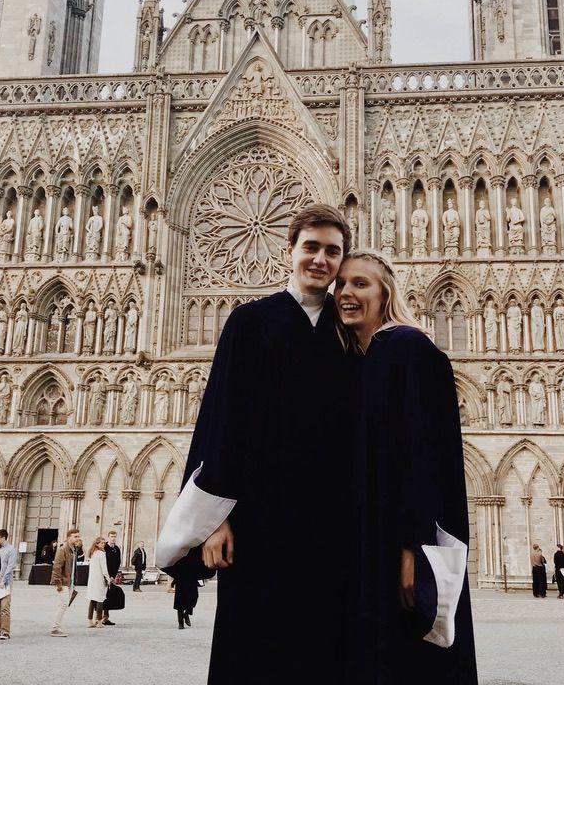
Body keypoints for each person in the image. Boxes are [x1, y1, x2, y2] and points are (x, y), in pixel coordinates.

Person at [156, 204, 353, 684]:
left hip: (332, 521)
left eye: (332, 251)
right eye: (311, 247)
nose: (320, 260)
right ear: (289, 251)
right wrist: (216, 520)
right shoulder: (249, 322)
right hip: (257, 520)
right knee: (254, 646)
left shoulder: (349, 331)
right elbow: (221, 422)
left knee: (325, 649)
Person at [336, 249, 477, 684]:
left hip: (397, 542)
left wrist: (412, 550)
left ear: (385, 293)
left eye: (360, 284)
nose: (346, 293)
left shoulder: (409, 348)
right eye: (341, 284)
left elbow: (425, 460)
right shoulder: (354, 361)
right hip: (365, 541)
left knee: (407, 660)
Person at [50, 528, 83, 637]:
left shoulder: (74, 549)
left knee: (64, 605)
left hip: (70, 582)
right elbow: (57, 567)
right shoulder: (63, 549)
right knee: (63, 604)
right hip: (63, 582)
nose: (78, 538)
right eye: (75, 536)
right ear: (69, 537)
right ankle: (55, 629)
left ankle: (56, 627)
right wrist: (58, 583)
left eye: (78, 536)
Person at [0, 528, 17, 640]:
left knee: (4, 607)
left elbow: (10, 566)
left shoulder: (11, 549)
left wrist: (4, 581)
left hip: (5, 582)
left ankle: (5, 632)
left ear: (3, 538)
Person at [85, 536, 112, 628]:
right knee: (100, 600)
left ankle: (90, 621)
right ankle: (99, 621)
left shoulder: (92, 553)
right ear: (97, 544)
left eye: (104, 543)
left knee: (92, 599)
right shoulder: (101, 554)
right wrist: (108, 579)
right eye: (101, 543)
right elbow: (104, 569)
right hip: (99, 579)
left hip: (92, 579)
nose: (103, 544)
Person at [102, 530, 122, 625]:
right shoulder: (104, 548)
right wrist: (107, 576)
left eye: (114, 536)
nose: (113, 538)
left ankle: (106, 617)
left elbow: (118, 562)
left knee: (109, 596)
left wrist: (113, 576)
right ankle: (100, 617)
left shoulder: (117, 549)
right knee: (102, 596)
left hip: (112, 576)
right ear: (108, 537)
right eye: (111, 536)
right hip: (104, 575)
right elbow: (104, 563)